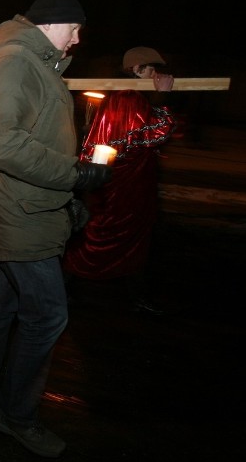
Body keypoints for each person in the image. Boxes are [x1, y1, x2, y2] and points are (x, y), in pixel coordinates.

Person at [0, 0, 111, 458]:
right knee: (47, 316)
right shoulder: (17, 61)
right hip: (15, 215)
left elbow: (30, 133)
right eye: (75, 29)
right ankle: (16, 414)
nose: (78, 39)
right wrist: (74, 175)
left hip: (17, 206)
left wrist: (65, 199)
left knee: (0, 307)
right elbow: (3, 143)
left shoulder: (29, 60)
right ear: (51, 25)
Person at [63, 83, 176, 314]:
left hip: (129, 189)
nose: (155, 74)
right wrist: (162, 96)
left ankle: (137, 294)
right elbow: (157, 131)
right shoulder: (128, 98)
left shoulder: (121, 98)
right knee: (109, 236)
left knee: (126, 238)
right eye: (151, 68)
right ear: (138, 69)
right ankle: (62, 287)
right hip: (123, 191)